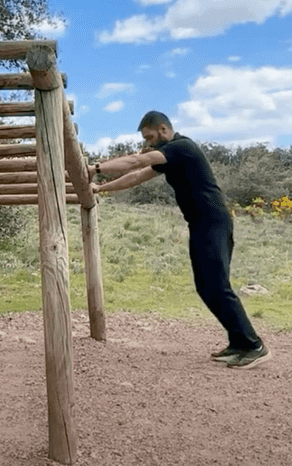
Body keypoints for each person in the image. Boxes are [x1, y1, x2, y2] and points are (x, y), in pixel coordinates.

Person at [89, 111, 270, 369]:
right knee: (206, 286)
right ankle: (239, 343)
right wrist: (101, 188)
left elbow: (135, 163)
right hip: (200, 224)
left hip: (213, 221)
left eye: (150, 137)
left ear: (163, 129)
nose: (149, 143)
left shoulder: (181, 147)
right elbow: (135, 177)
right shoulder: (169, 156)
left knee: (217, 285)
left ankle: (254, 346)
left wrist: (95, 169)